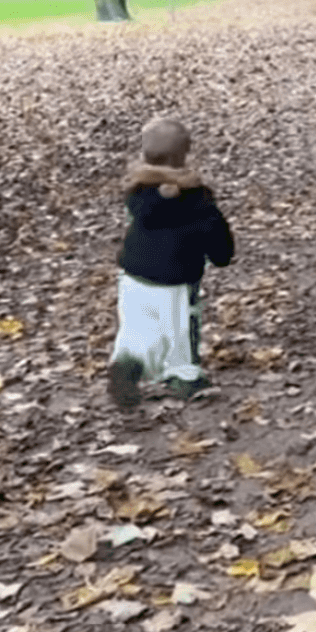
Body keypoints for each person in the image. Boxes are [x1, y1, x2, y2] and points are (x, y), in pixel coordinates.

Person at [107, 114, 234, 410]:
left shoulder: (137, 192)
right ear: (183, 156)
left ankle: (127, 364)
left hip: (132, 274)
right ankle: (185, 377)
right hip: (174, 279)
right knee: (179, 328)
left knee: (137, 324)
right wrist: (221, 255)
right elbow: (213, 230)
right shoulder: (197, 199)